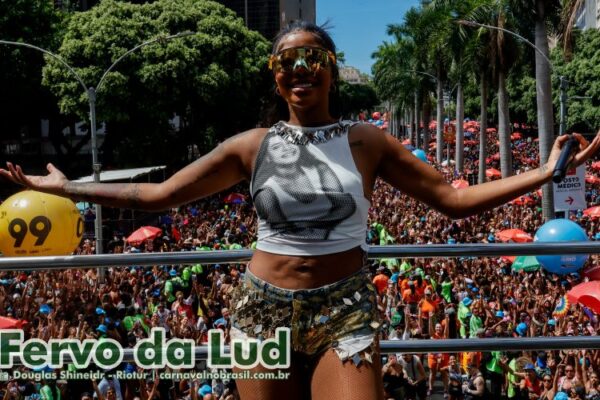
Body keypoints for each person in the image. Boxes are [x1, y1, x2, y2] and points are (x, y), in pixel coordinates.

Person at [2, 19, 600, 400]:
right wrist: (68, 189)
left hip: (346, 311)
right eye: (285, 62)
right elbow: (159, 195)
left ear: (331, 70)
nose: (298, 70)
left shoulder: (367, 141)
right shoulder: (250, 145)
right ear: (276, 78)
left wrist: (545, 174)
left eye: (311, 58)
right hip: (261, 310)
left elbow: (455, 202)